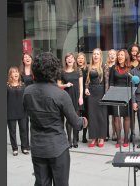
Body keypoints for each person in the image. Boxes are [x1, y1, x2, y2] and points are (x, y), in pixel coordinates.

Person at [23, 52, 88, 186]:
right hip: (57, 148)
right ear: (55, 70)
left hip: (37, 147)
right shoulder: (60, 94)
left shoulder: (27, 92)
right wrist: (83, 121)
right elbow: (75, 123)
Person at [57, 52, 83, 148]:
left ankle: (75, 140)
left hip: (76, 96)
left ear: (74, 60)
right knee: (68, 119)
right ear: (66, 60)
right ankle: (69, 140)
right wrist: (65, 85)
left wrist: (80, 97)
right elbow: (58, 84)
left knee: (75, 119)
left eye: (71, 57)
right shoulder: (62, 72)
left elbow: (81, 86)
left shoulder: (78, 71)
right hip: (66, 96)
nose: (70, 59)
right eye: (68, 58)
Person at [85, 48, 108, 148]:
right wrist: (86, 88)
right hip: (91, 93)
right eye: (94, 54)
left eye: (97, 54)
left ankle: (101, 137)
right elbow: (87, 80)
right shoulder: (89, 66)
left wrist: (106, 95)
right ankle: (93, 137)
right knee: (92, 115)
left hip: (101, 92)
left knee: (101, 115)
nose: (95, 56)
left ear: (100, 56)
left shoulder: (104, 66)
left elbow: (106, 82)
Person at [109, 49, 132, 148]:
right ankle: (118, 139)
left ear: (126, 56)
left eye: (122, 55)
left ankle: (126, 138)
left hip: (127, 94)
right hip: (116, 95)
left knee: (126, 117)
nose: (120, 57)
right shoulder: (114, 68)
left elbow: (133, 82)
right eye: (119, 55)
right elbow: (111, 82)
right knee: (116, 117)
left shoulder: (131, 68)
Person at [7, 66, 29, 156]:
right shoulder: (6, 85)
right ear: (10, 75)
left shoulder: (23, 85)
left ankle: (24, 148)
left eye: (17, 71)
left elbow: (26, 98)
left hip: (22, 111)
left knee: (23, 130)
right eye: (13, 72)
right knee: (12, 131)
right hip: (10, 111)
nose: (15, 73)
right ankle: (15, 148)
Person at [19, 52, 33, 150]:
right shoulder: (20, 72)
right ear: (23, 60)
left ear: (31, 59)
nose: (27, 58)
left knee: (34, 123)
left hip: (33, 99)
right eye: (25, 57)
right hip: (23, 99)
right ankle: (25, 145)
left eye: (28, 57)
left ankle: (34, 144)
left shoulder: (35, 71)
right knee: (24, 123)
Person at [104, 49, 118, 142]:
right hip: (105, 91)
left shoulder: (117, 66)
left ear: (116, 56)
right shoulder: (105, 66)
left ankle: (114, 133)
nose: (112, 56)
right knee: (105, 114)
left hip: (114, 92)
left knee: (114, 115)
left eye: (113, 54)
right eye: (110, 54)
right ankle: (106, 134)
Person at [76, 52, 89, 143]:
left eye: (82, 58)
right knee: (76, 116)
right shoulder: (74, 69)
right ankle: (76, 136)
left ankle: (84, 136)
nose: (80, 60)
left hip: (85, 95)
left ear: (84, 60)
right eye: (78, 58)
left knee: (85, 116)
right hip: (75, 94)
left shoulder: (87, 69)